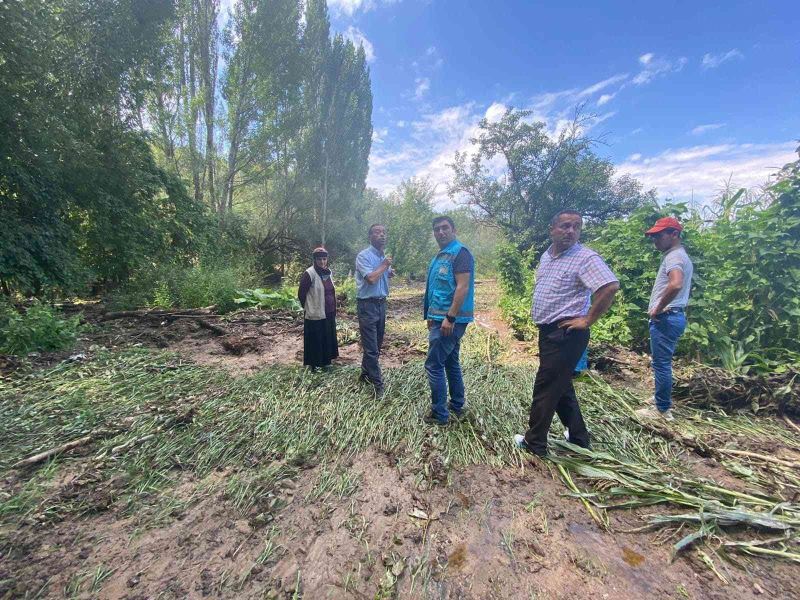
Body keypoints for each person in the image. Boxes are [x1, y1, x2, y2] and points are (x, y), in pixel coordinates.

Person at [514, 210, 619, 457]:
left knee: (546, 388)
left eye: (576, 226)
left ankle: (535, 443)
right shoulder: (548, 256)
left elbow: (610, 286)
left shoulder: (585, 258)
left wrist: (588, 319)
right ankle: (580, 439)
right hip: (549, 331)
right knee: (561, 387)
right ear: (552, 229)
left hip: (566, 333)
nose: (570, 231)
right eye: (565, 226)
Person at [635, 217, 693, 422]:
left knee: (661, 364)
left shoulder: (674, 257)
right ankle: (661, 399)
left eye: (659, 236)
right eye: (653, 237)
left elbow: (675, 284)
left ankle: (661, 410)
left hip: (667, 317)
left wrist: (658, 308)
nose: (655, 241)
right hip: (673, 316)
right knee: (662, 363)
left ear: (674, 234)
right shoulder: (680, 255)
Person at [423, 216, 475, 426]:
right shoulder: (439, 256)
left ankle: (439, 415)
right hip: (440, 319)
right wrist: (430, 316)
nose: (441, 232)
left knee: (434, 365)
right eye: (437, 229)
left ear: (454, 230)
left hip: (450, 321)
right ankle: (457, 405)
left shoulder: (460, 253)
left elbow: (462, 287)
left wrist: (450, 317)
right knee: (451, 362)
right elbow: (435, 289)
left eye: (445, 228)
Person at [355, 224, 394, 397]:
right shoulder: (363, 256)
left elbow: (381, 274)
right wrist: (385, 265)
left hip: (381, 304)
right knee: (371, 347)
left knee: (376, 344)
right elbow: (371, 278)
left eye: (384, 232)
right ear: (370, 236)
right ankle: (378, 386)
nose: (382, 235)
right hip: (367, 305)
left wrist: (388, 271)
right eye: (377, 232)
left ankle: (365, 373)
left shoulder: (382, 257)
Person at [298, 247, 339, 370]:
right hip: (315, 312)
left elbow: (331, 291)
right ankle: (314, 365)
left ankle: (326, 363)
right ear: (315, 260)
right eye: (319, 259)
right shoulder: (309, 273)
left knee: (327, 337)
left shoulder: (328, 272)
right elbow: (301, 293)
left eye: (324, 259)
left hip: (329, 311)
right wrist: (308, 307)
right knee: (316, 338)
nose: (322, 262)